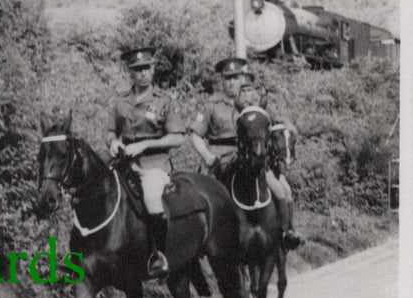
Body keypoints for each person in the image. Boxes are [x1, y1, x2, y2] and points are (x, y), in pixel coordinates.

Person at [188, 58, 303, 249]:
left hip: (252, 159)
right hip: (220, 160)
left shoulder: (255, 105)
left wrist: (288, 128)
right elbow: (195, 135)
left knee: (280, 189)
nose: (232, 83)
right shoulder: (212, 106)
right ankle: (201, 244)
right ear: (222, 81)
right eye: (228, 78)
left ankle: (287, 233)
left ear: (243, 79)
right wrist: (207, 156)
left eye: (236, 78)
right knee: (202, 199)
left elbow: (278, 125)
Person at [107, 47, 186, 278]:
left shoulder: (164, 101)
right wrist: (113, 142)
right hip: (122, 161)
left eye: (146, 68)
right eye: (137, 69)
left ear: (153, 70)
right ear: (130, 73)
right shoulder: (119, 100)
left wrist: (145, 145)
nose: (142, 73)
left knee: (152, 199)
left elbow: (178, 137)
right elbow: (110, 131)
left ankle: (158, 255)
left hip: (153, 163)